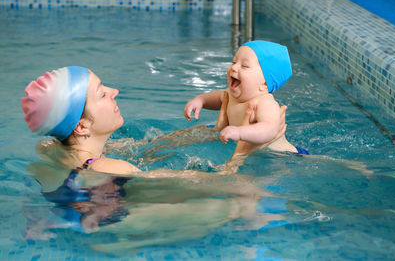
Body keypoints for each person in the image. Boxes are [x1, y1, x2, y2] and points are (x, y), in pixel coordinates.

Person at [21, 66, 287, 241]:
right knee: (244, 196)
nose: (115, 92)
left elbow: (151, 149)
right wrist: (243, 151)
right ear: (81, 126)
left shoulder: (52, 148)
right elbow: (205, 182)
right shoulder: (115, 167)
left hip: (78, 213)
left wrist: (213, 131)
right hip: (111, 230)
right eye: (102, 93)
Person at [184, 40, 309, 156]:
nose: (234, 67)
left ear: (264, 84)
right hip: (256, 155)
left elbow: (270, 129)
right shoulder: (233, 95)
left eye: (244, 66)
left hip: (286, 156)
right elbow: (218, 97)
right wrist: (200, 100)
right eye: (234, 62)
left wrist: (240, 132)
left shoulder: (264, 103)